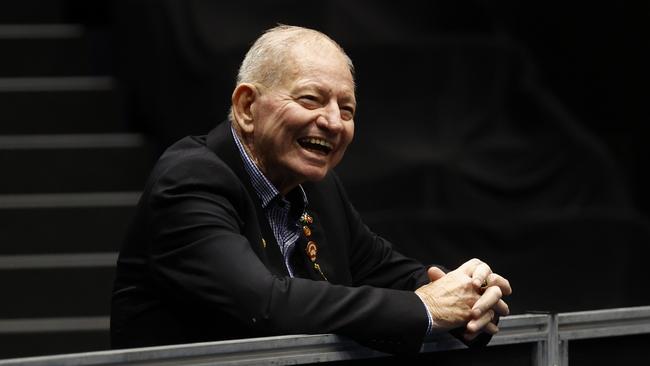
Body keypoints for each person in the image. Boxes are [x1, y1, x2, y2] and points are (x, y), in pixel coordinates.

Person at [110, 24, 511, 354]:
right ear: (247, 107)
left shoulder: (318, 187)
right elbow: (264, 306)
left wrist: (465, 292)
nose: (334, 122)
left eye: (347, 109)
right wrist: (425, 308)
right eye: (311, 99)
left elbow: (385, 271)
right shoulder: (190, 179)